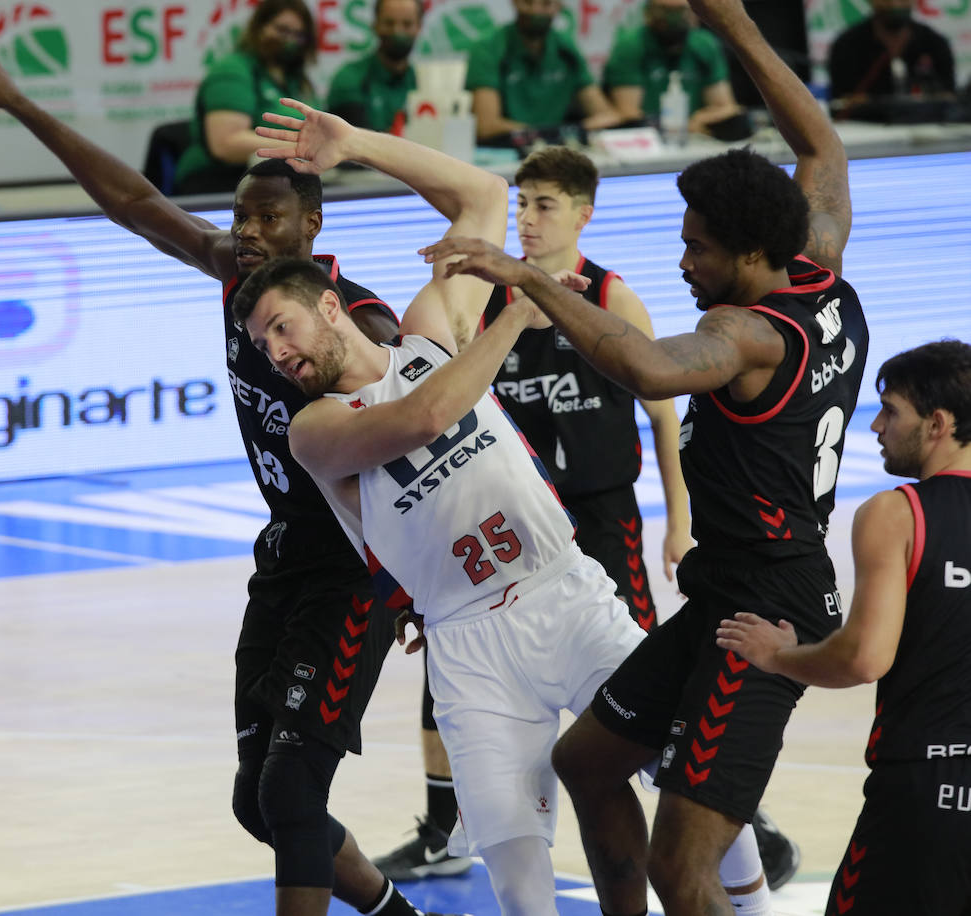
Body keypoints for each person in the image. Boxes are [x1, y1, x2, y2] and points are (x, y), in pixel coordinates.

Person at [0, 28, 473, 916]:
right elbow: (136, 201)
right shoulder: (238, 280)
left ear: (314, 226)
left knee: (290, 794)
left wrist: (427, 579)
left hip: (355, 571)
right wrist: (21, 106)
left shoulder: (365, 326)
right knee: (255, 802)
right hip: (285, 557)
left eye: (269, 219)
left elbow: (435, 435)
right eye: (240, 218)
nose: (248, 233)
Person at [421, 0, 869, 909]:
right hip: (726, 587)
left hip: (766, 608)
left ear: (751, 253)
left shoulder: (747, 336)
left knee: (683, 866)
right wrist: (734, 24)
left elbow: (649, 370)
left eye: (696, 250)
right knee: (585, 760)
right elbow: (822, 148)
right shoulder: (819, 265)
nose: (681, 263)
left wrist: (530, 279)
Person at [233, 97, 658, 916]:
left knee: (680, 772)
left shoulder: (429, 332)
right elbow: (428, 416)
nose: (276, 354)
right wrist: (522, 305)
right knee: (519, 880)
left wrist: (355, 145)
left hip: (563, 591)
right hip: (467, 640)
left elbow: (483, 200)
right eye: (261, 347)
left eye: (282, 329)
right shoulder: (317, 429)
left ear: (328, 303)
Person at [374, 145, 801, 895]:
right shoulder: (492, 302)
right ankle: (445, 830)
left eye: (545, 205)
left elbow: (666, 416)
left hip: (597, 529)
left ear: (583, 214)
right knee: (448, 684)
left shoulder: (611, 296)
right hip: (512, 529)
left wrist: (680, 520)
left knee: (644, 698)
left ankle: (738, 821)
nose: (530, 220)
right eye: (524, 204)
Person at [717, 339, 971, 916]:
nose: (876, 425)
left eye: (890, 411)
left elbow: (863, 658)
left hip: (922, 790)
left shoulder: (897, 512)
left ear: (938, 423)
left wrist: (780, 655)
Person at [174, 0, 321, 196]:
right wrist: (303, 149)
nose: (289, 40)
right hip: (219, 181)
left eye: (298, 35)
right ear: (260, 26)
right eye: (282, 30)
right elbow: (226, 144)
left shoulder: (296, 80)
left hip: (282, 179)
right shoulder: (233, 69)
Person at [464, 0, 620, 145]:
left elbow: (605, 115)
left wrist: (574, 132)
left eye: (546, 3)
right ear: (515, 2)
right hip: (506, 151)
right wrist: (547, 134)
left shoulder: (566, 49)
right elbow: (486, 125)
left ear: (558, 5)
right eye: (528, 2)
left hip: (555, 149)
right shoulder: (489, 48)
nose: (535, 10)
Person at [602, 0, 747, 138]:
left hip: (696, 137)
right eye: (665, 10)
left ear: (694, 13)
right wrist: (682, 125)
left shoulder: (704, 44)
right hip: (651, 139)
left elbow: (725, 107)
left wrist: (700, 119)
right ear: (648, 12)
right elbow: (628, 113)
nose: (673, 18)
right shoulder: (631, 45)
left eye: (680, 10)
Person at [827, 0, 957, 118]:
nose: (896, 4)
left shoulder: (934, 43)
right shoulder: (847, 45)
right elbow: (841, 101)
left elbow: (949, 96)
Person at [326, 0, 423, 134]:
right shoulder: (350, 78)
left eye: (407, 24)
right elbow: (356, 143)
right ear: (375, 25)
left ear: (419, 27)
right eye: (389, 23)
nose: (398, 32)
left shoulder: (423, 82)